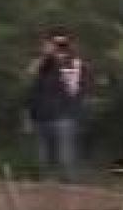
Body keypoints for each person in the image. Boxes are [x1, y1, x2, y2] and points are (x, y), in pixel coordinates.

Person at [25, 29, 89, 182]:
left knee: (65, 159)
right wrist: (45, 56)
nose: (58, 48)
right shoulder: (43, 65)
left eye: (62, 44)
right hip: (41, 117)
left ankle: (71, 190)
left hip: (64, 116)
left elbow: (73, 88)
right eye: (54, 44)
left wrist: (61, 61)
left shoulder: (75, 63)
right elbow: (30, 75)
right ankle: (48, 191)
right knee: (43, 159)